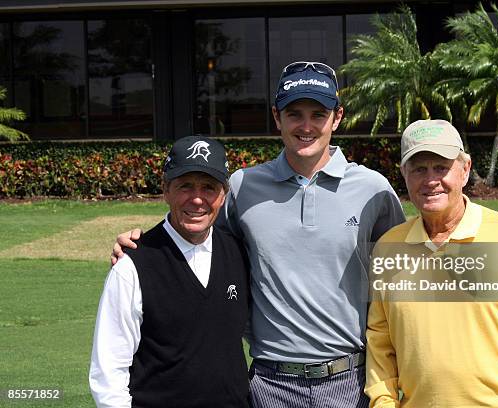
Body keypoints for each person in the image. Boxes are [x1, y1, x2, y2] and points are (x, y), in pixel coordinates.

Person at [112, 61, 406, 407]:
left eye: (318, 113)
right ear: (277, 117)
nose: (306, 126)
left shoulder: (373, 189)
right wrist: (143, 248)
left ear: (337, 117)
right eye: (294, 113)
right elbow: (201, 244)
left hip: (349, 380)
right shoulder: (243, 186)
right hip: (270, 384)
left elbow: (402, 281)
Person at [365, 119, 498, 407]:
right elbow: (380, 342)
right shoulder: (387, 248)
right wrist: (383, 402)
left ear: (465, 169)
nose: (431, 180)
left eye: (441, 167)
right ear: (404, 174)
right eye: (419, 168)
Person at [90, 136, 250, 408]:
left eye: (209, 187)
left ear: (223, 195)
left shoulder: (240, 252)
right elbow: (109, 369)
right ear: (166, 190)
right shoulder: (132, 265)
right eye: (185, 186)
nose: (197, 199)